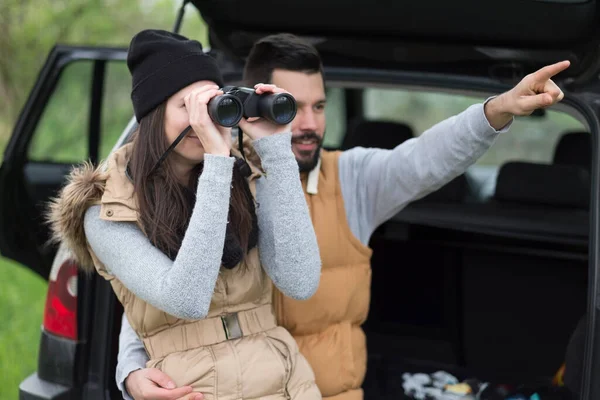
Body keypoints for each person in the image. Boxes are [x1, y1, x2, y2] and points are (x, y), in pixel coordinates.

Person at [116, 33, 569, 400]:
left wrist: (497, 109)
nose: (308, 124)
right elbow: (155, 294)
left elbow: (426, 158)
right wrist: (131, 370)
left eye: (318, 106)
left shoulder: (351, 177)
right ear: (254, 101)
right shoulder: (218, 178)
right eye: (291, 105)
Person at [46, 29, 324, 400]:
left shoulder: (245, 175)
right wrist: (216, 162)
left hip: (285, 385)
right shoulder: (105, 209)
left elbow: (299, 282)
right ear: (153, 113)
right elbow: (186, 299)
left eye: (212, 106)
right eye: (188, 108)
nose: (203, 120)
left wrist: (275, 149)